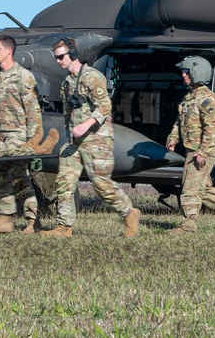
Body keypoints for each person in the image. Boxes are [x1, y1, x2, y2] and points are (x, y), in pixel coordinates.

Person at [41, 38, 141, 238]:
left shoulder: (92, 77)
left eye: (61, 56)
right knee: (64, 182)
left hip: (97, 139)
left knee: (101, 184)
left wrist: (85, 125)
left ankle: (129, 213)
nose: (58, 61)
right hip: (75, 143)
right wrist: (70, 135)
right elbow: (68, 112)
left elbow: (104, 107)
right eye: (56, 57)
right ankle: (64, 227)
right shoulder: (66, 84)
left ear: (73, 55)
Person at [165, 56, 215, 232]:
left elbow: (211, 129)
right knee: (200, 187)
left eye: (187, 72)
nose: (183, 75)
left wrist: (202, 152)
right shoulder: (188, 98)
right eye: (183, 72)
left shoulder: (207, 99)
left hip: (201, 152)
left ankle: (188, 225)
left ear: (197, 73)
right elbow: (179, 122)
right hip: (191, 150)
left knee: (190, 189)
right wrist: (173, 139)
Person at [0, 34, 46, 234]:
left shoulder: (24, 77)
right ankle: (9, 219)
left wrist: (32, 143)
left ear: (9, 51)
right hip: (0, 137)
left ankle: (27, 220)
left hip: (19, 137)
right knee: (2, 176)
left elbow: (33, 114)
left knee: (15, 176)